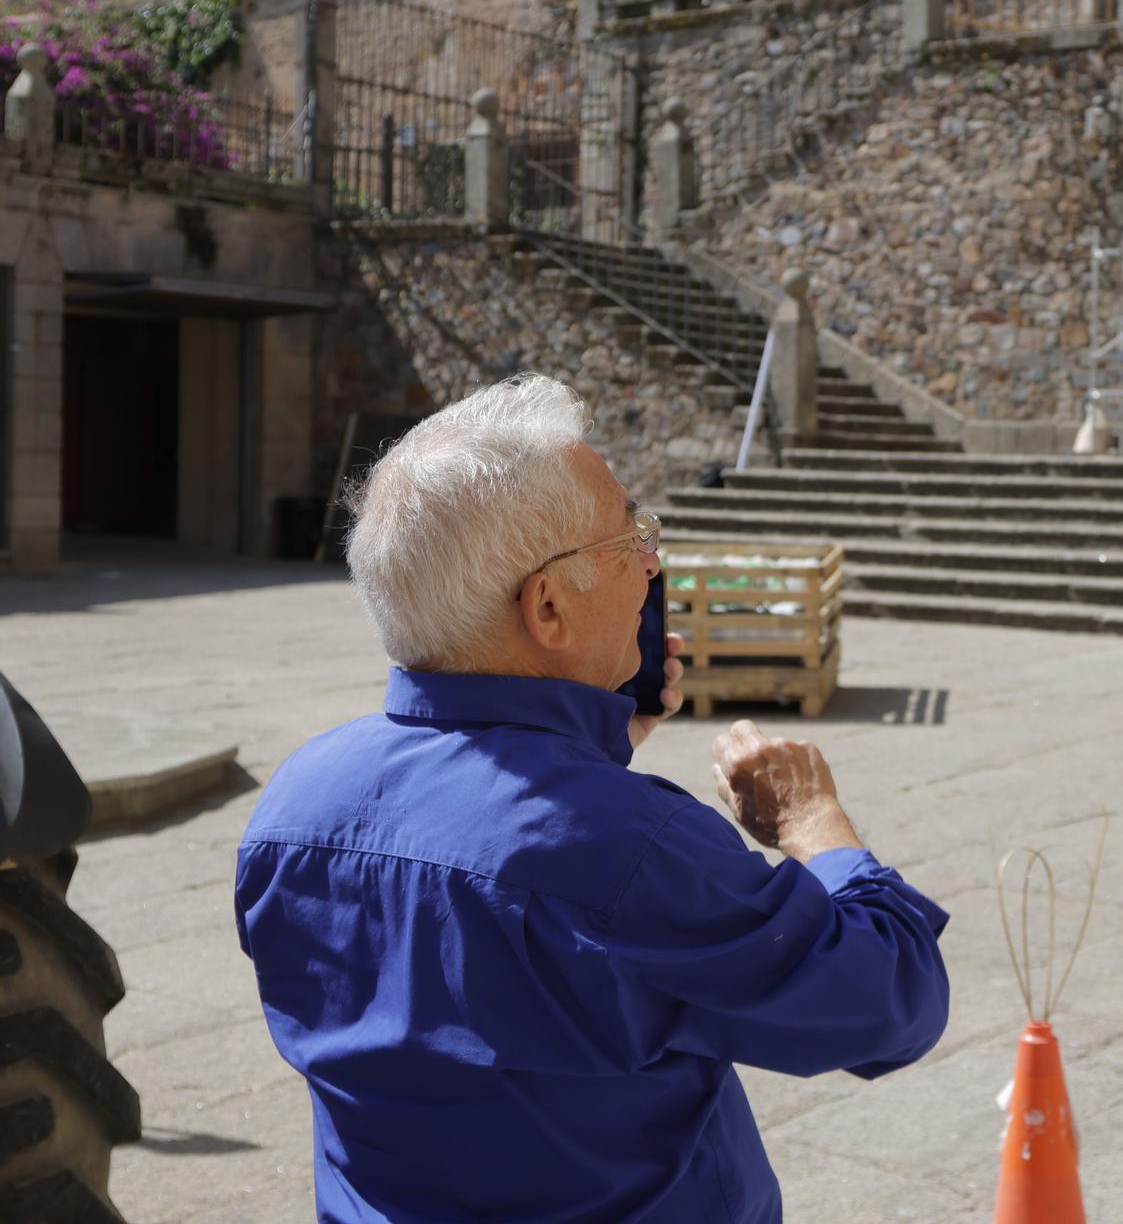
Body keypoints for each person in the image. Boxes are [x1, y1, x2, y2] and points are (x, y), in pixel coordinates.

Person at [234, 375, 950, 1223]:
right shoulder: (631, 850)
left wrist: (589, 750)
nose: (652, 561)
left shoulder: (293, 807)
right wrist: (811, 820)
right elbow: (890, 1002)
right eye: (630, 536)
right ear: (546, 603)